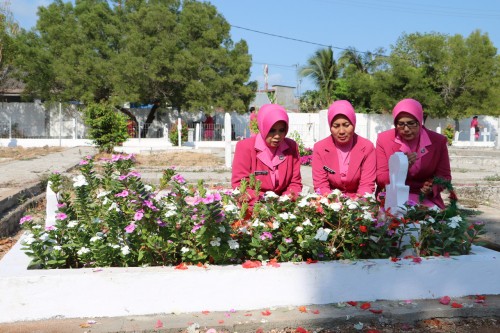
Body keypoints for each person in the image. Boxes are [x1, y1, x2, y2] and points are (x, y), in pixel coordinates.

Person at [376, 98, 451, 209]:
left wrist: (432, 187)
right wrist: (400, 168)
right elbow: (381, 178)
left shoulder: (438, 141)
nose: (406, 129)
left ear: (419, 120)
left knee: (429, 222)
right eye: (400, 124)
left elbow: (444, 176)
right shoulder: (384, 139)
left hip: (425, 197)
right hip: (393, 195)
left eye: (411, 123)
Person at [232, 103, 302, 205]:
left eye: (281, 130)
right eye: (272, 130)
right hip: (253, 207)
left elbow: (295, 183)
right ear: (263, 127)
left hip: (283, 207)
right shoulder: (245, 147)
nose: (277, 136)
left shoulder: (291, 147)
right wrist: (267, 201)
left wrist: (283, 201)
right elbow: (239, 185)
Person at [311, 100, 376, 198]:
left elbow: (367, 185)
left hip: (359, 202)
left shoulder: (367, 147)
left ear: (353, 124)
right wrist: (333, 204)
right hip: (329, 202)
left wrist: (357, 204)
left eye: (346, 125)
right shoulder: (320, 148)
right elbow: (321, 185)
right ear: (330, 127)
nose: (341, 131)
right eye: (336, 126)